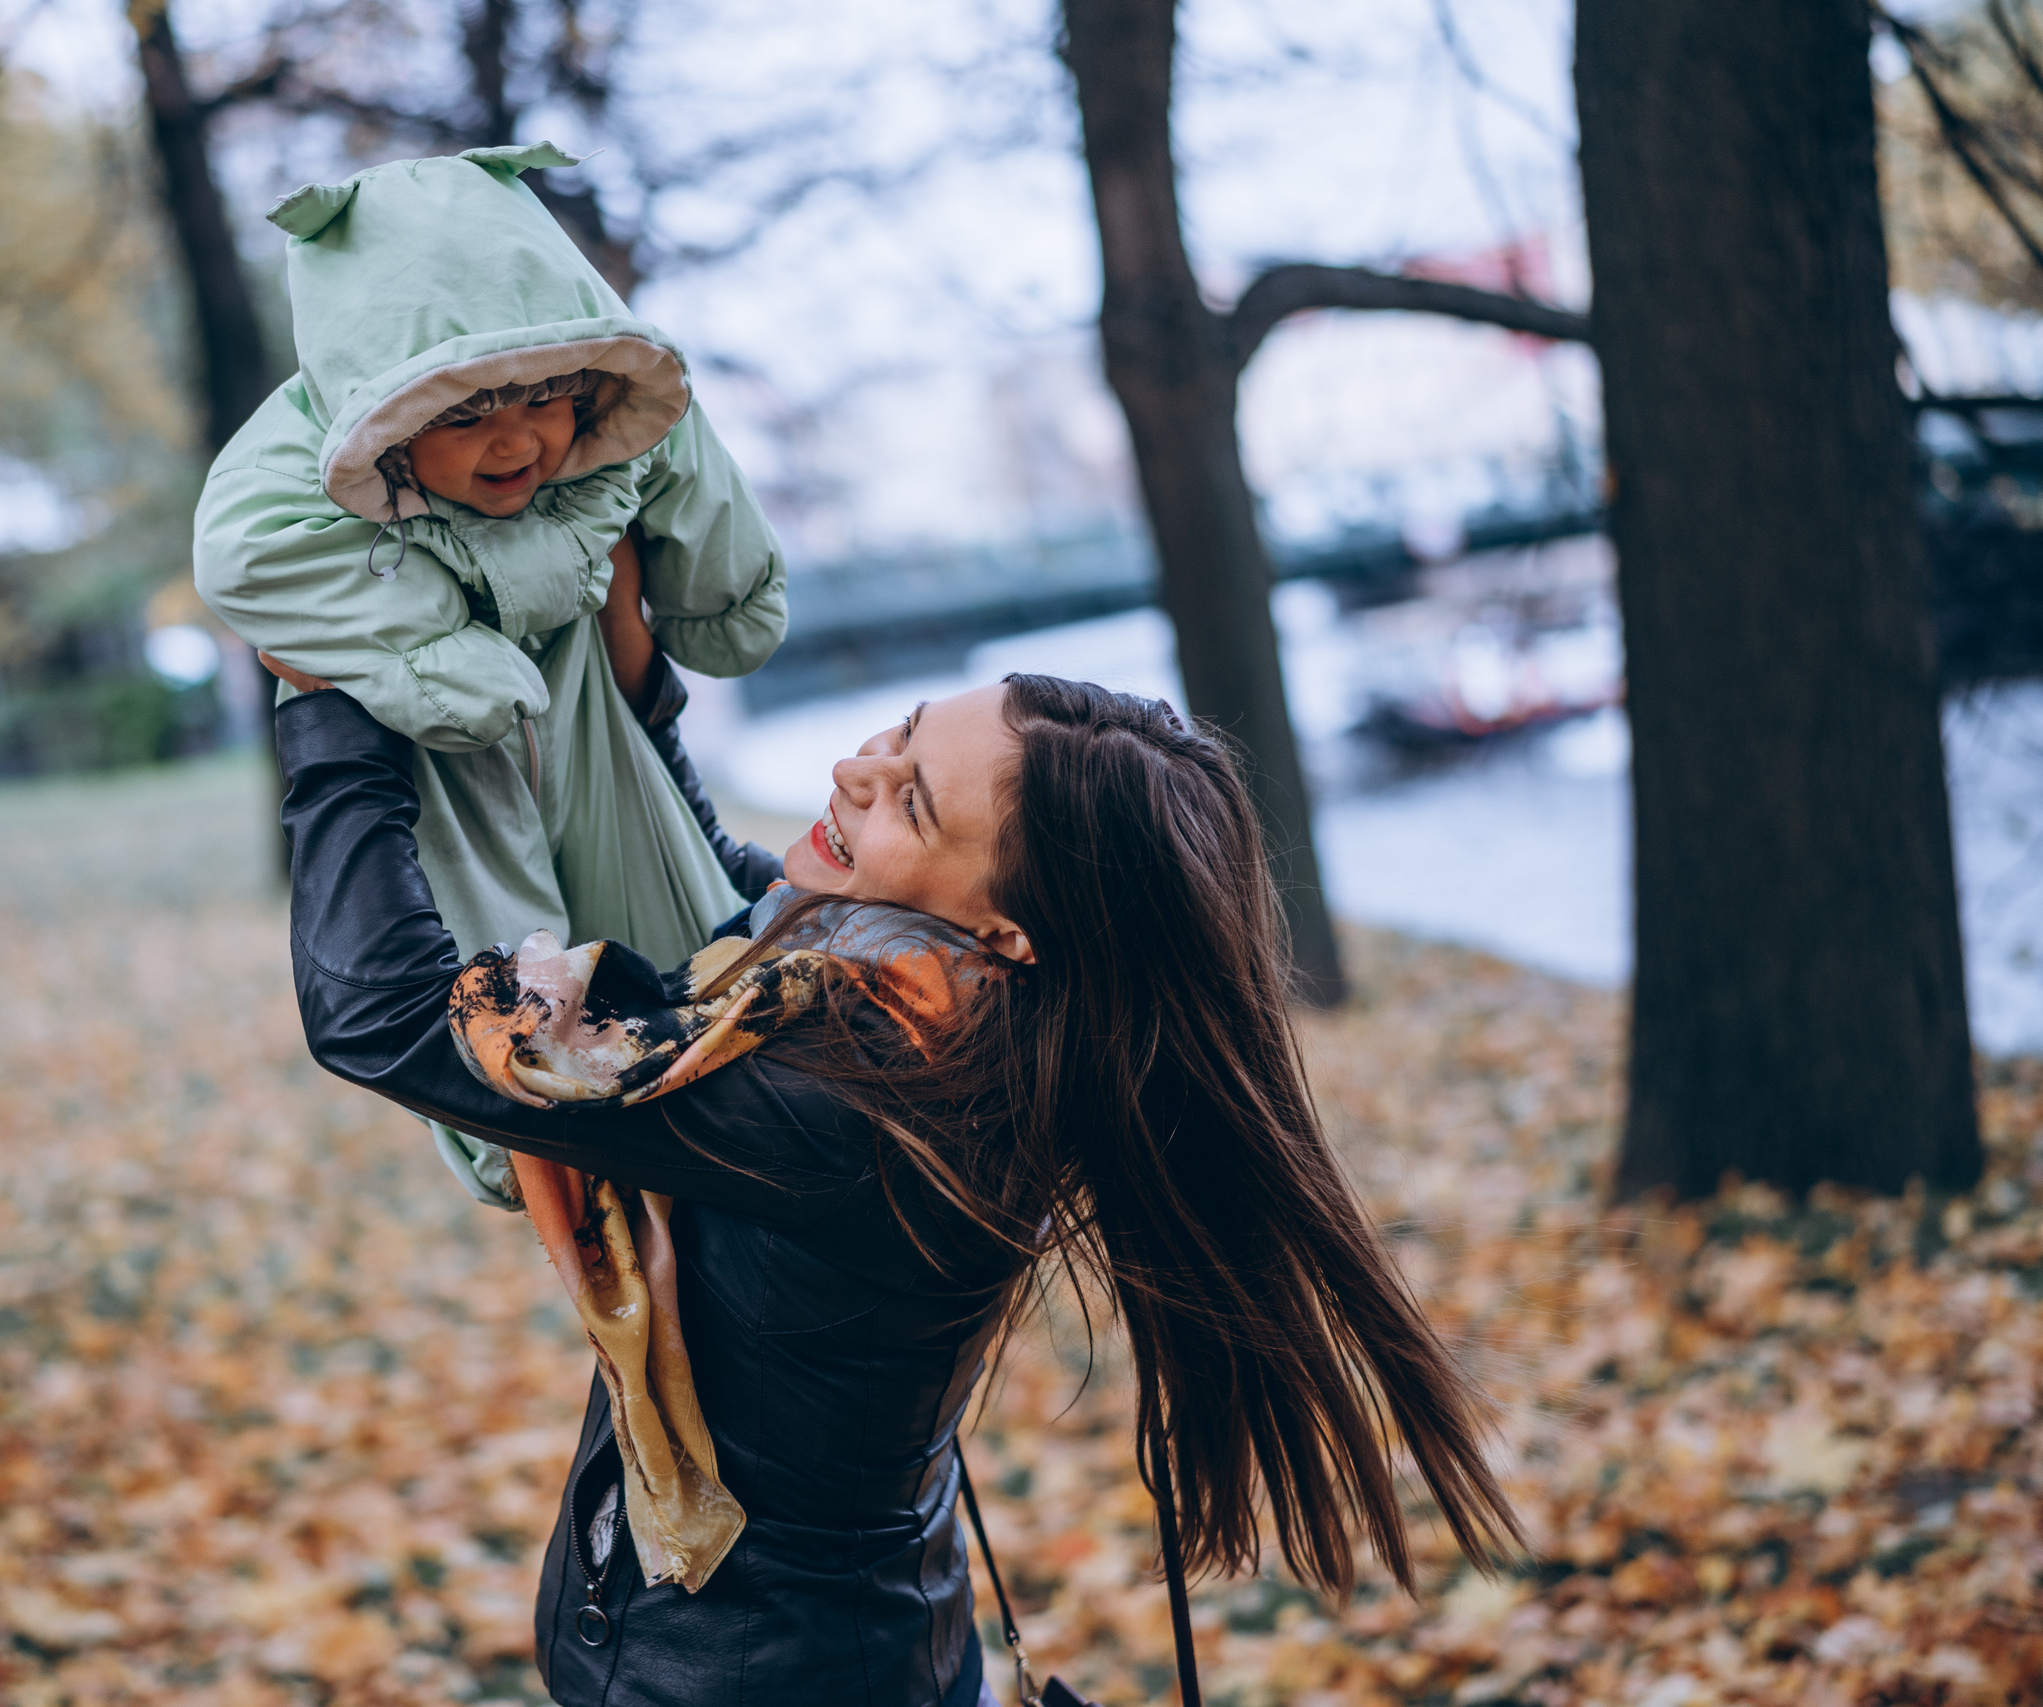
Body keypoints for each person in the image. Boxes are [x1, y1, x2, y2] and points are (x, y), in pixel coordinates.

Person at [265, 636, 1525, 1705]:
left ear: (1007, 929)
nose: (852, 773)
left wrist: (327, 719)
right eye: (903, 732)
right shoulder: (943, 1013)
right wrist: (640, 700)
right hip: (857, 1645)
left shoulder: (860, 1101)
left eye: (910, 801)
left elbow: (385, 1015)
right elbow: (756, 907)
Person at [196, 141, 786, 1212]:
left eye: (549, 396)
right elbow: (242, 546)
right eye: (463, 413)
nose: (516, 441)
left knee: (699, 979)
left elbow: (687, 460)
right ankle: (528, 1139)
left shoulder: (622, 427)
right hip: (444, 764)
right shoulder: (295, 462)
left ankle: (687, 1069)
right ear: (384, 421)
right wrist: (433, 653)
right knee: (512, 1014)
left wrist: (721, 594)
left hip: (595, 726)